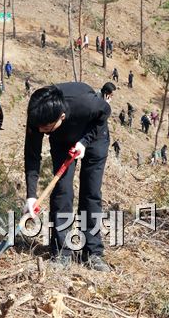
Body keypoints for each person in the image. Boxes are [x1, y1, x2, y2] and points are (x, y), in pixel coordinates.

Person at [24, 83, 112, 272]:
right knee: (62, 191)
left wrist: (84, 142)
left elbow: (105, 112)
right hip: (62, 141)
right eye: (39, 128)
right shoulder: (38, 114)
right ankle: (62, 251)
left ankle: (92, 252)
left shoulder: (86, 104)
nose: (41, 132)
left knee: (91, 192)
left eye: (46, 129)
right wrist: (31, 195)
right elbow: (32, 154)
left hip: (94, 134)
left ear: (61, 117)